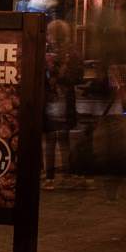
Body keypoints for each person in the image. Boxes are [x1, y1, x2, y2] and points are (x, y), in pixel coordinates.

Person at [43, 19, 83, 189]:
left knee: (50, 140)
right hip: (66, 98)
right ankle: (66, 173)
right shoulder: (72, 51)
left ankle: (49, 178)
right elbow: (79, 76)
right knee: (64, 139)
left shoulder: (44, 50)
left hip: (49, 98)